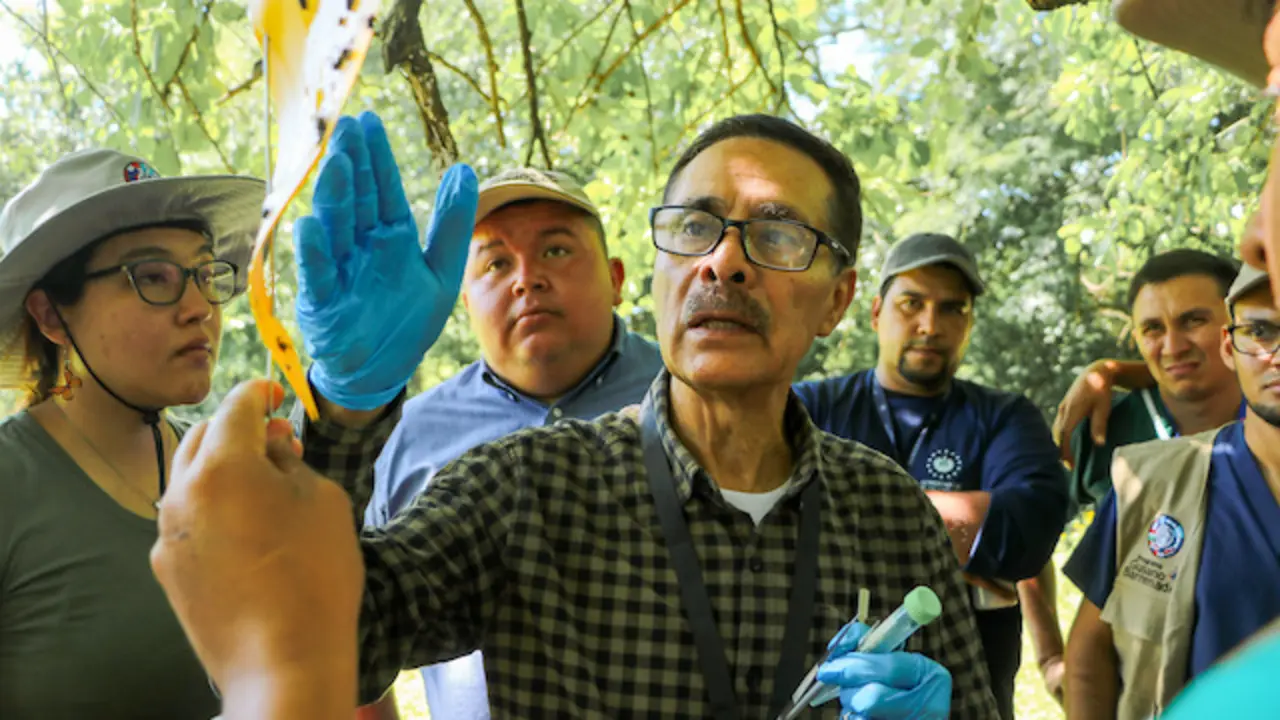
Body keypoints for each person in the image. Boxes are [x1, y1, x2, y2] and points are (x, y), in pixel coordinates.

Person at [154, 110, 1001, 718]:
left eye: (777, 236)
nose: (725, 263)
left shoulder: (887, 512)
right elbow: (338, 646)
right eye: (696, 227)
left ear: (838, 300)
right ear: (664, 271)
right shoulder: (523, 486)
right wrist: (343, 409)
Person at [366, 167, 662, 719]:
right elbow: (347, 621)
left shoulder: (691, 398)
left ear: (617, 278)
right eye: (497, 263)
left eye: (555, 250)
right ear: (464, 300)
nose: (527, 278)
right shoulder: (403, 435)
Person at [0, 148, 263, 717]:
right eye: (152, 278)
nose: (199, 307)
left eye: (203, 272)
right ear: (50, 317)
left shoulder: (236, 466)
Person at [793, 233, 1069, 717]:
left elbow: (1030, 529)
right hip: (825, 693)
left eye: (952, 309)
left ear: (970, 323)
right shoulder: (812, 408)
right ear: (877, 312)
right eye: (911, 303)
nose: (929, 324)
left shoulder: (1005, 416)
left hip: (972, 695)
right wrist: (966, 540)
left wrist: (836, 517)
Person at [1062, 263, 1280, 720]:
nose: (1275, 352)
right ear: (1230, 345)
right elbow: (1088, 658)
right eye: (1260, 330)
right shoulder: (1151, 477)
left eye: (1192, 320)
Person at [1061, 249, 1243, 513]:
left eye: (1194, 321)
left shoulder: (1268, 413)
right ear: (1136, 339)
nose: (1173, 348)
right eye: (1153, 329)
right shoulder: (1103, 429)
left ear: (1241, 322)